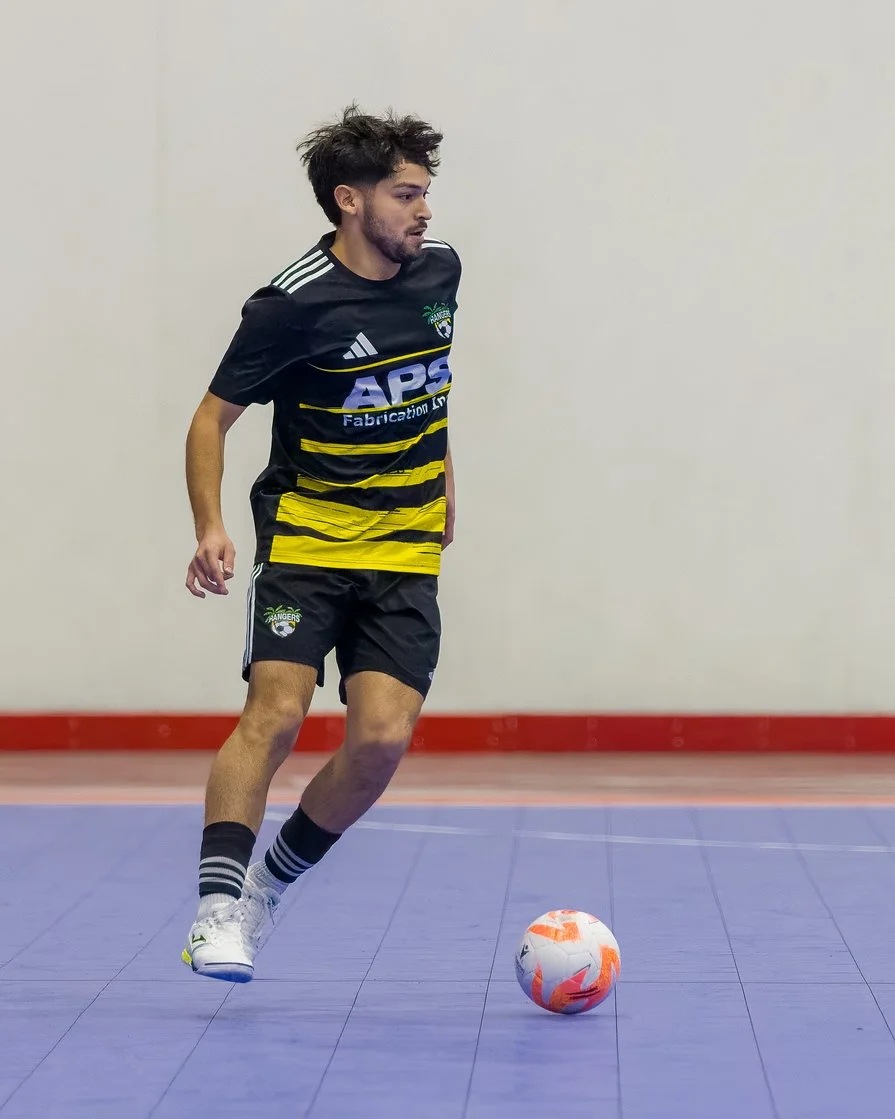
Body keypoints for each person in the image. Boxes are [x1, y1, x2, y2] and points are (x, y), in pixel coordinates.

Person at [180, 105, 461, 982]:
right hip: (309, 535)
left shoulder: (441, 274)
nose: (423, 211)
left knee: (379, 741)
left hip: (406, 546)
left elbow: (428, 390)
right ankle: (217, 910)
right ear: (349, 200)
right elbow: (208, 420)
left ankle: (267, 887)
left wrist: (449, 487)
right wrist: (212, 526)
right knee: (278, 709)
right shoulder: (289, 305)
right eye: (405, 193)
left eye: (425, 193)